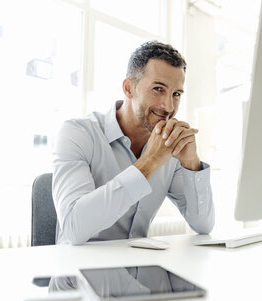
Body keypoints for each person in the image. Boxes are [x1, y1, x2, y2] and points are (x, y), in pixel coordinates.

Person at [52, 41, 215, 245]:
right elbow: (73, 229)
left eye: (176, 94)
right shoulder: (77, 133)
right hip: (79, 271)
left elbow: (203, 225)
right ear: (129, 88)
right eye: (158, 89)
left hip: (137, 270)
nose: (169, 106)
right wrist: (149, 162)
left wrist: (191, 163)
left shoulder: (169, 147)